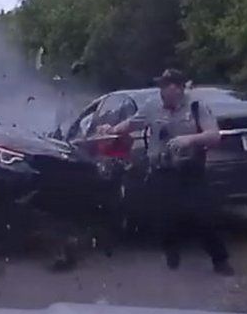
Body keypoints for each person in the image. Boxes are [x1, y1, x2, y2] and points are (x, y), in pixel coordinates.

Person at [97, 69, 234, 275]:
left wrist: (190, 139)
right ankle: (171, 250)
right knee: (163, 217)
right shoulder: (152, 105)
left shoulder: (196, 107)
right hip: (162, 170)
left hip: (190, 170)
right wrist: (111, 130)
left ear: (178, 88)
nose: (162, 90)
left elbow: (214, 135)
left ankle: (220, 260)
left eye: (166, 85)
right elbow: (132, 123)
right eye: (160, 85)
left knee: (203, 216)